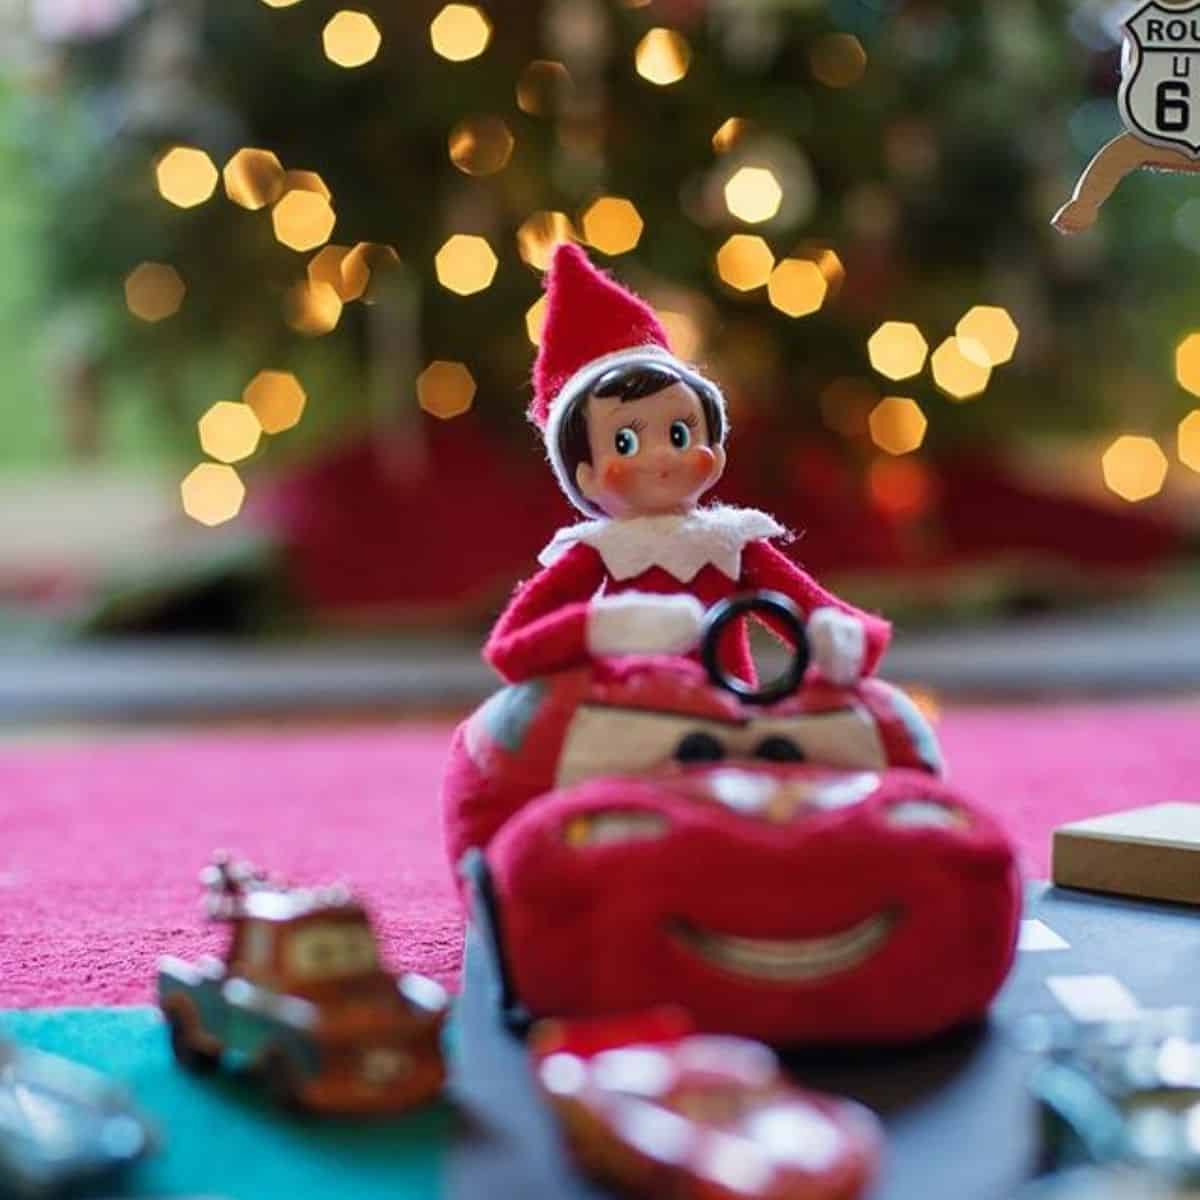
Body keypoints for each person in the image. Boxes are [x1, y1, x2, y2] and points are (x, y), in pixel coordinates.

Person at [484, 243, 890, 686]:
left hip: (728, 710)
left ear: (715, 450)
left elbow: (815, 610)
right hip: (632, 713)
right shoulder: (599, 554)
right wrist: (607, 628)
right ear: (586, 475)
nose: (663, 455)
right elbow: (511, 649)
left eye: (679, 434)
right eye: (626, 442)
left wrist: (839, 639)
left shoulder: (728, 543)